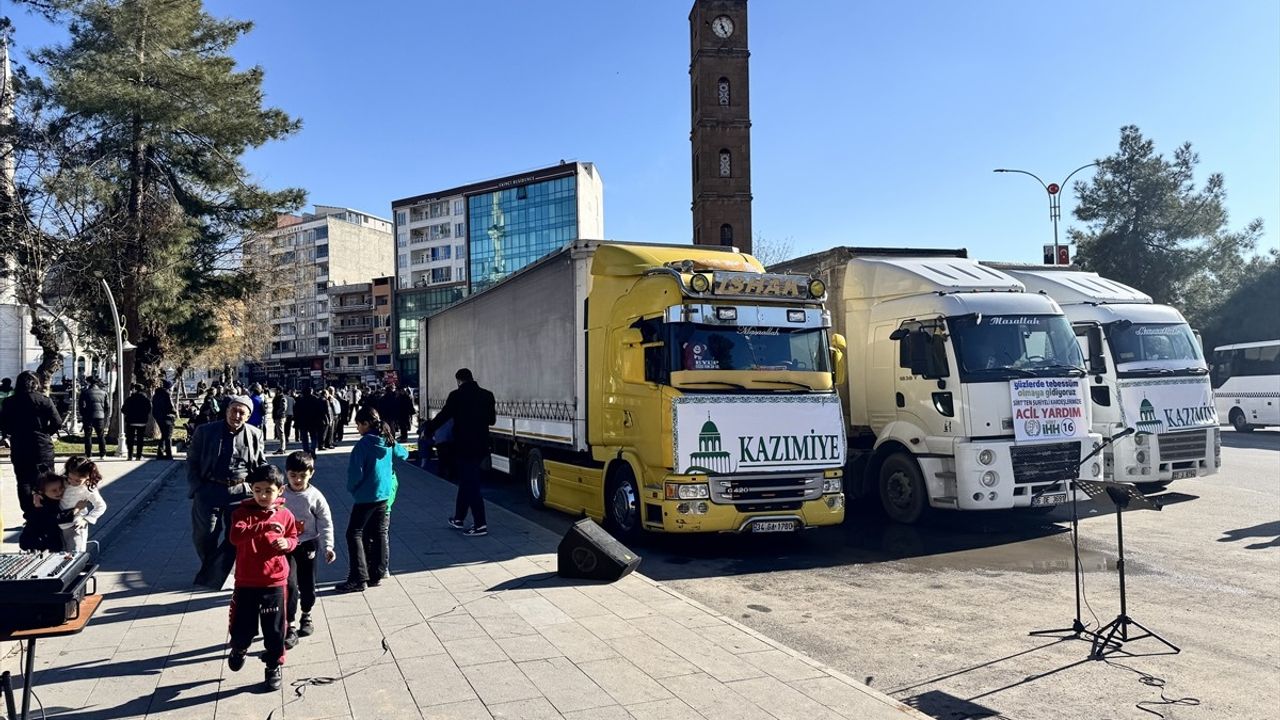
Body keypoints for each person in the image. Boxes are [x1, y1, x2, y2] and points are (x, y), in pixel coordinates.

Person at [226, 464, 298, 692]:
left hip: (275, 582)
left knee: (275, 630)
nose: (263, 495)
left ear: (280, 490)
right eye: (257, 490)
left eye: (268, 490)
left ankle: (273, 665)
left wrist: (288, 543)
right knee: (241, 626)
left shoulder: (286, 514)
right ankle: (239, 647)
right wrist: (262, 526)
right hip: (247, 581)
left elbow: (293, 536)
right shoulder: (241, 513)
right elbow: (235, 537)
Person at [187, 395, 268, 588]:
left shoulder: (255, 434)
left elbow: (260, 463)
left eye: (242, 412)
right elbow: (192, 462)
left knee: (238, 535)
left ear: (248, 416)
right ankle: (210, 569)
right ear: (227, 411)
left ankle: (224, 571)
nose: (237, 415)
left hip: (241, 491)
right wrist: (198, 487)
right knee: (205, 535)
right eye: (234, 410)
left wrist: (267, 484)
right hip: (210, 490)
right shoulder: (205, 431)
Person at [334, 407, 406, 593]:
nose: (357, 428)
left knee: (354, 534)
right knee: (379, 532)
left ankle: (358, 578)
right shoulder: (387, 440)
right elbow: (403, 453)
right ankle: (377, 573)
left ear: (365, 424)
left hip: (366, 496)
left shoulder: (363, 444)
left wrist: (352, 488)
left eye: (358, 424)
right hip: (384, 494)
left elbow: (355, 474)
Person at [423, 368, 496, 537]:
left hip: (463, 446)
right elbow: (491, 420)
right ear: (472, 378)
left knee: (471, 485)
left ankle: (480, 524)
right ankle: (458, 519)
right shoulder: (487, 395)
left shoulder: (456, 396)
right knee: (466, 481)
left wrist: (429, 429)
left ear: (458, 380)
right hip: (481, 445)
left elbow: (444, 415)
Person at [282, 451, 335, 646]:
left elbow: (325, 522)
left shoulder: (315, 496)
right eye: (293, 475)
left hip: (308, 544)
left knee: (308, 585)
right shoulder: (280, 494)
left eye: (302, 475)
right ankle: (290, 625)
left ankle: (307, 614)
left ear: (311, 473)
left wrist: (328, 546)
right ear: (286, 473)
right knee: (290, 584)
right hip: (286, 546)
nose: (297, 480)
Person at [0, 371, 63, 516]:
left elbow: (3, 424)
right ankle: (48, 510)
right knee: (47, 480)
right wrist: (46, 432)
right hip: (42, 446)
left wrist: (13, 432)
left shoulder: (9, 402)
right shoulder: (44, 400)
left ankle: (29, 512)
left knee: (23, 481)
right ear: (36, 383)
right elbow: (57, 422)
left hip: (20, 445)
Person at [60, 457, 107, 553]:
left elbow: (101, 506)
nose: (72, 482)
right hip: (58, 522)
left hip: (75, 526)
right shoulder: (62, 482)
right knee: (58, 556)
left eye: (78, 481)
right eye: (70, 478)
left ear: (88, 477)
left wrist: (86, 520)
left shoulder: (88, 489)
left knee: (75, 554)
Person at [20, 472, 72, 552]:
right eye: (54, 490)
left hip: (48, 541)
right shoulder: (42, 504)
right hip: (40, 542)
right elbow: (55, 518)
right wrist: (76, 510)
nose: (59, 492)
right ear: (42, 492)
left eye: (61, 488)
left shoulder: (54, 499)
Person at [80, 378, 110, 459]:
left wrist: (84, 413)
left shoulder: (85, 392)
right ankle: (103, 454)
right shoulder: (104, 393)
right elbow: (107, 406)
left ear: (89, 383)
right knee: (101, 435)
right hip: (100, 416)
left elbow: (81, 405)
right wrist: (103, 413)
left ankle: (88, 454)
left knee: (88, 435)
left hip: (88, 416)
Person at [123, 383, 153, 461]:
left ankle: (130, 455)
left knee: (130, 439)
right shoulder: (146, 400)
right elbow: (149, 410)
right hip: (142, 421)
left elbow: (123, 410)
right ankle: (138, 456)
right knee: (140, 439)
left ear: (135, 389)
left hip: (131, 421)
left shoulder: (130, 399)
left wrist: (129, 414)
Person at [294, 387, 326, 456]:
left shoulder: (300, 400)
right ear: (311, 392)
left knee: (304, 438)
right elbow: (321, 411)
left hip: (303, 422)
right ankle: (312, 449)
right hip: (313, 422)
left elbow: (296, 412)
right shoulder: (315, 399)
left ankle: (306, 451)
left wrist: (296, 421)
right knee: (314, 437)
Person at [152, 381, 177, 459]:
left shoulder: (156, 395)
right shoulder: (167, 395)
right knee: (168, 436)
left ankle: (160, 453)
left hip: (159, 417)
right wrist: (174, 413)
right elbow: (171, 407)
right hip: (168, 417)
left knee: (164, 435)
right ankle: (168, 454)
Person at [271, 387, 288, 455]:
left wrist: (278, 412)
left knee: (281, 433)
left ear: (279, 391)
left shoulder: (282, 398)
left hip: (280, 417)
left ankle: (282, 448)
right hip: (277, 417)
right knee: (279, 433)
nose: (274, 391)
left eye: (276, 390)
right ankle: (282, 447)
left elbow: (284, 407)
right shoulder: (277, 397)